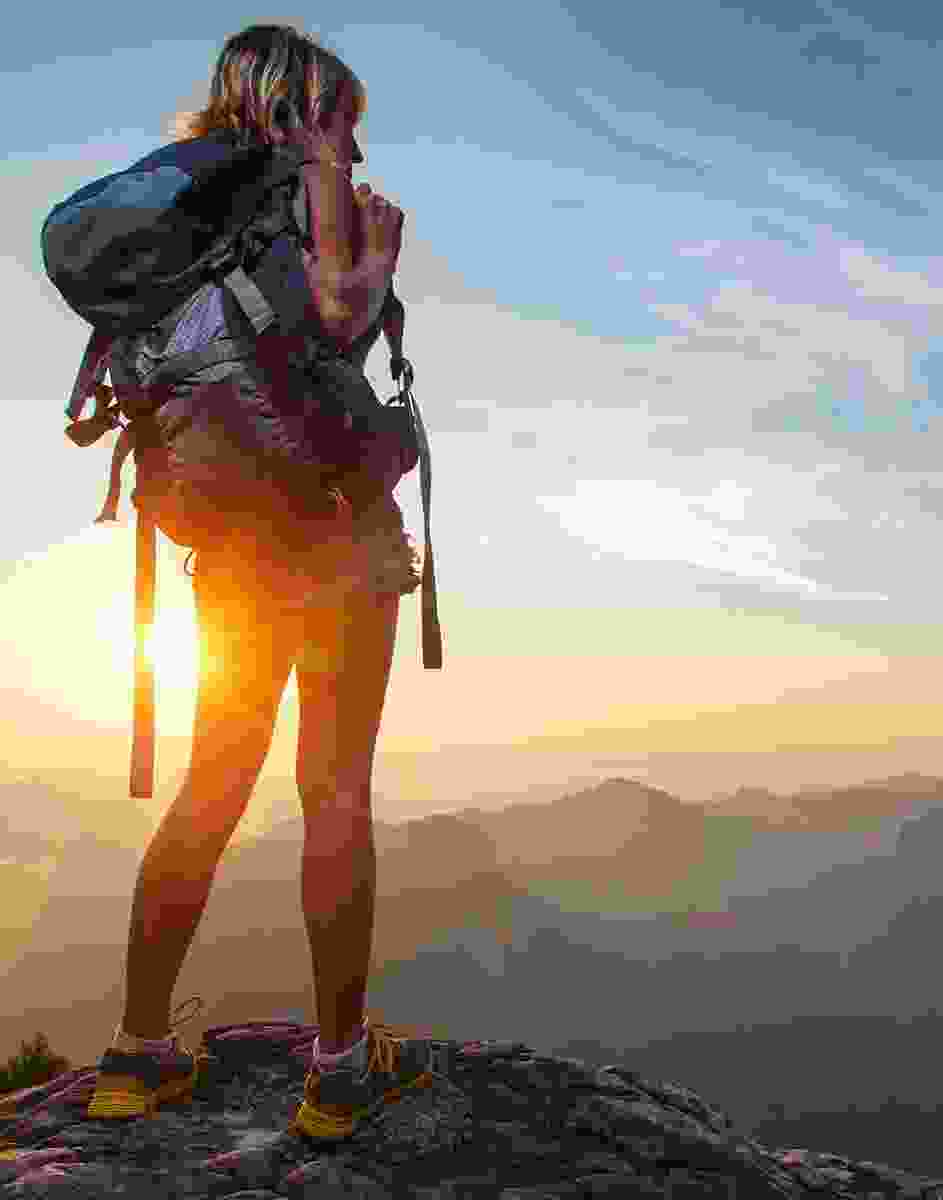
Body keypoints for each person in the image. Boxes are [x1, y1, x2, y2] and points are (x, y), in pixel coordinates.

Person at [86, 24, 438, 1142]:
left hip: (228, 547)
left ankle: (135, 1057)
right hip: (333, 539)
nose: (357, 144)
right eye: (346, 118)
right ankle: (339, 1074)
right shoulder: (309, 188)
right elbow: (337, 316)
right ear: (307, 109)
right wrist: (368, 272)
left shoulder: (164, 226)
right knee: (334, 793)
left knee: (212, 787)